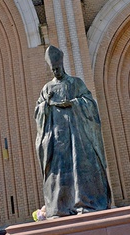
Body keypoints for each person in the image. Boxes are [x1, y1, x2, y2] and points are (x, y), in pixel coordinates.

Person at [35, 45, 111, 219]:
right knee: (59, 171)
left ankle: (86, 203)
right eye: (53, 69)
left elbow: (89, 102)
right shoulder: (47, 88)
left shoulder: (76, 83)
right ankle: (61, 207)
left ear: (63, 66)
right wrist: (45, 106)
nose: (56, 72)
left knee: (81, 166)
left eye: (58, 68)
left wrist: (74, 103)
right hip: (57, 138)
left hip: (78, 136)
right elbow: (38, 111)